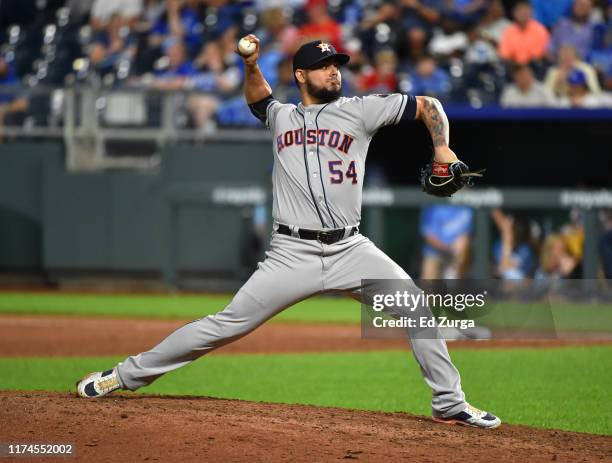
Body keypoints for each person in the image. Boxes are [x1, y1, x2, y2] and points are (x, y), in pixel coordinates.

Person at [76, 35, 501, 430]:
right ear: (301, 75)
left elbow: (428, 104)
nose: (334, 71)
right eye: (323, 66)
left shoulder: (360, 110)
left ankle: (449, 403)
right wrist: (251, 64)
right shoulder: (281, 116)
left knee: (415, 308)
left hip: (350, 249)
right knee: (225, 325)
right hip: (290, 254)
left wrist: (442, 147)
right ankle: (123, 376)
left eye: (336, 64)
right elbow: (260, 100)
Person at [420, 205, 473, 279]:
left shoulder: (466, 206)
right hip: (437, 250)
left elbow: (467, 235)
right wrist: (447, 249)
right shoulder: (433, 206)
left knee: (463, 244)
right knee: (428, 276)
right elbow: (429, 236)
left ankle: (454, 280)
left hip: (457, 253)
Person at [498, 0, 550, 65]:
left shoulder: (540, 30)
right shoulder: (508, 32)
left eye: (526, 9)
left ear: (531, 11)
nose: (523, 13)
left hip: (534, 65)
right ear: (514, 13)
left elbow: (539, 54)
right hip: (514, 66)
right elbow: (504, 54)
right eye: (520, 10)